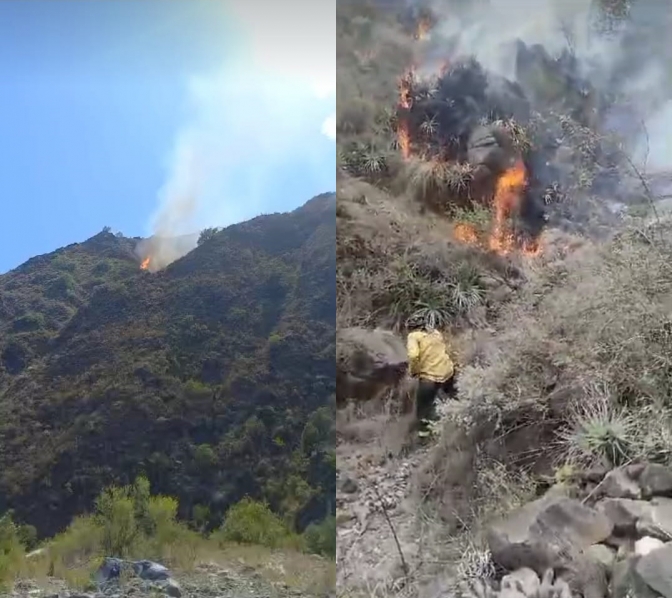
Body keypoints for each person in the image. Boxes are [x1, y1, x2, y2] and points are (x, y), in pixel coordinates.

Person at [406, 317, 456, 437]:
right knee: (449, 399)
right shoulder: (435, 333)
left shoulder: (413, 336)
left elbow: (413, 356)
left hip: (430, 377)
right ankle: (453, 422)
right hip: (448, 372)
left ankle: (425, 436)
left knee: (423, 408)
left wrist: (413, 371)